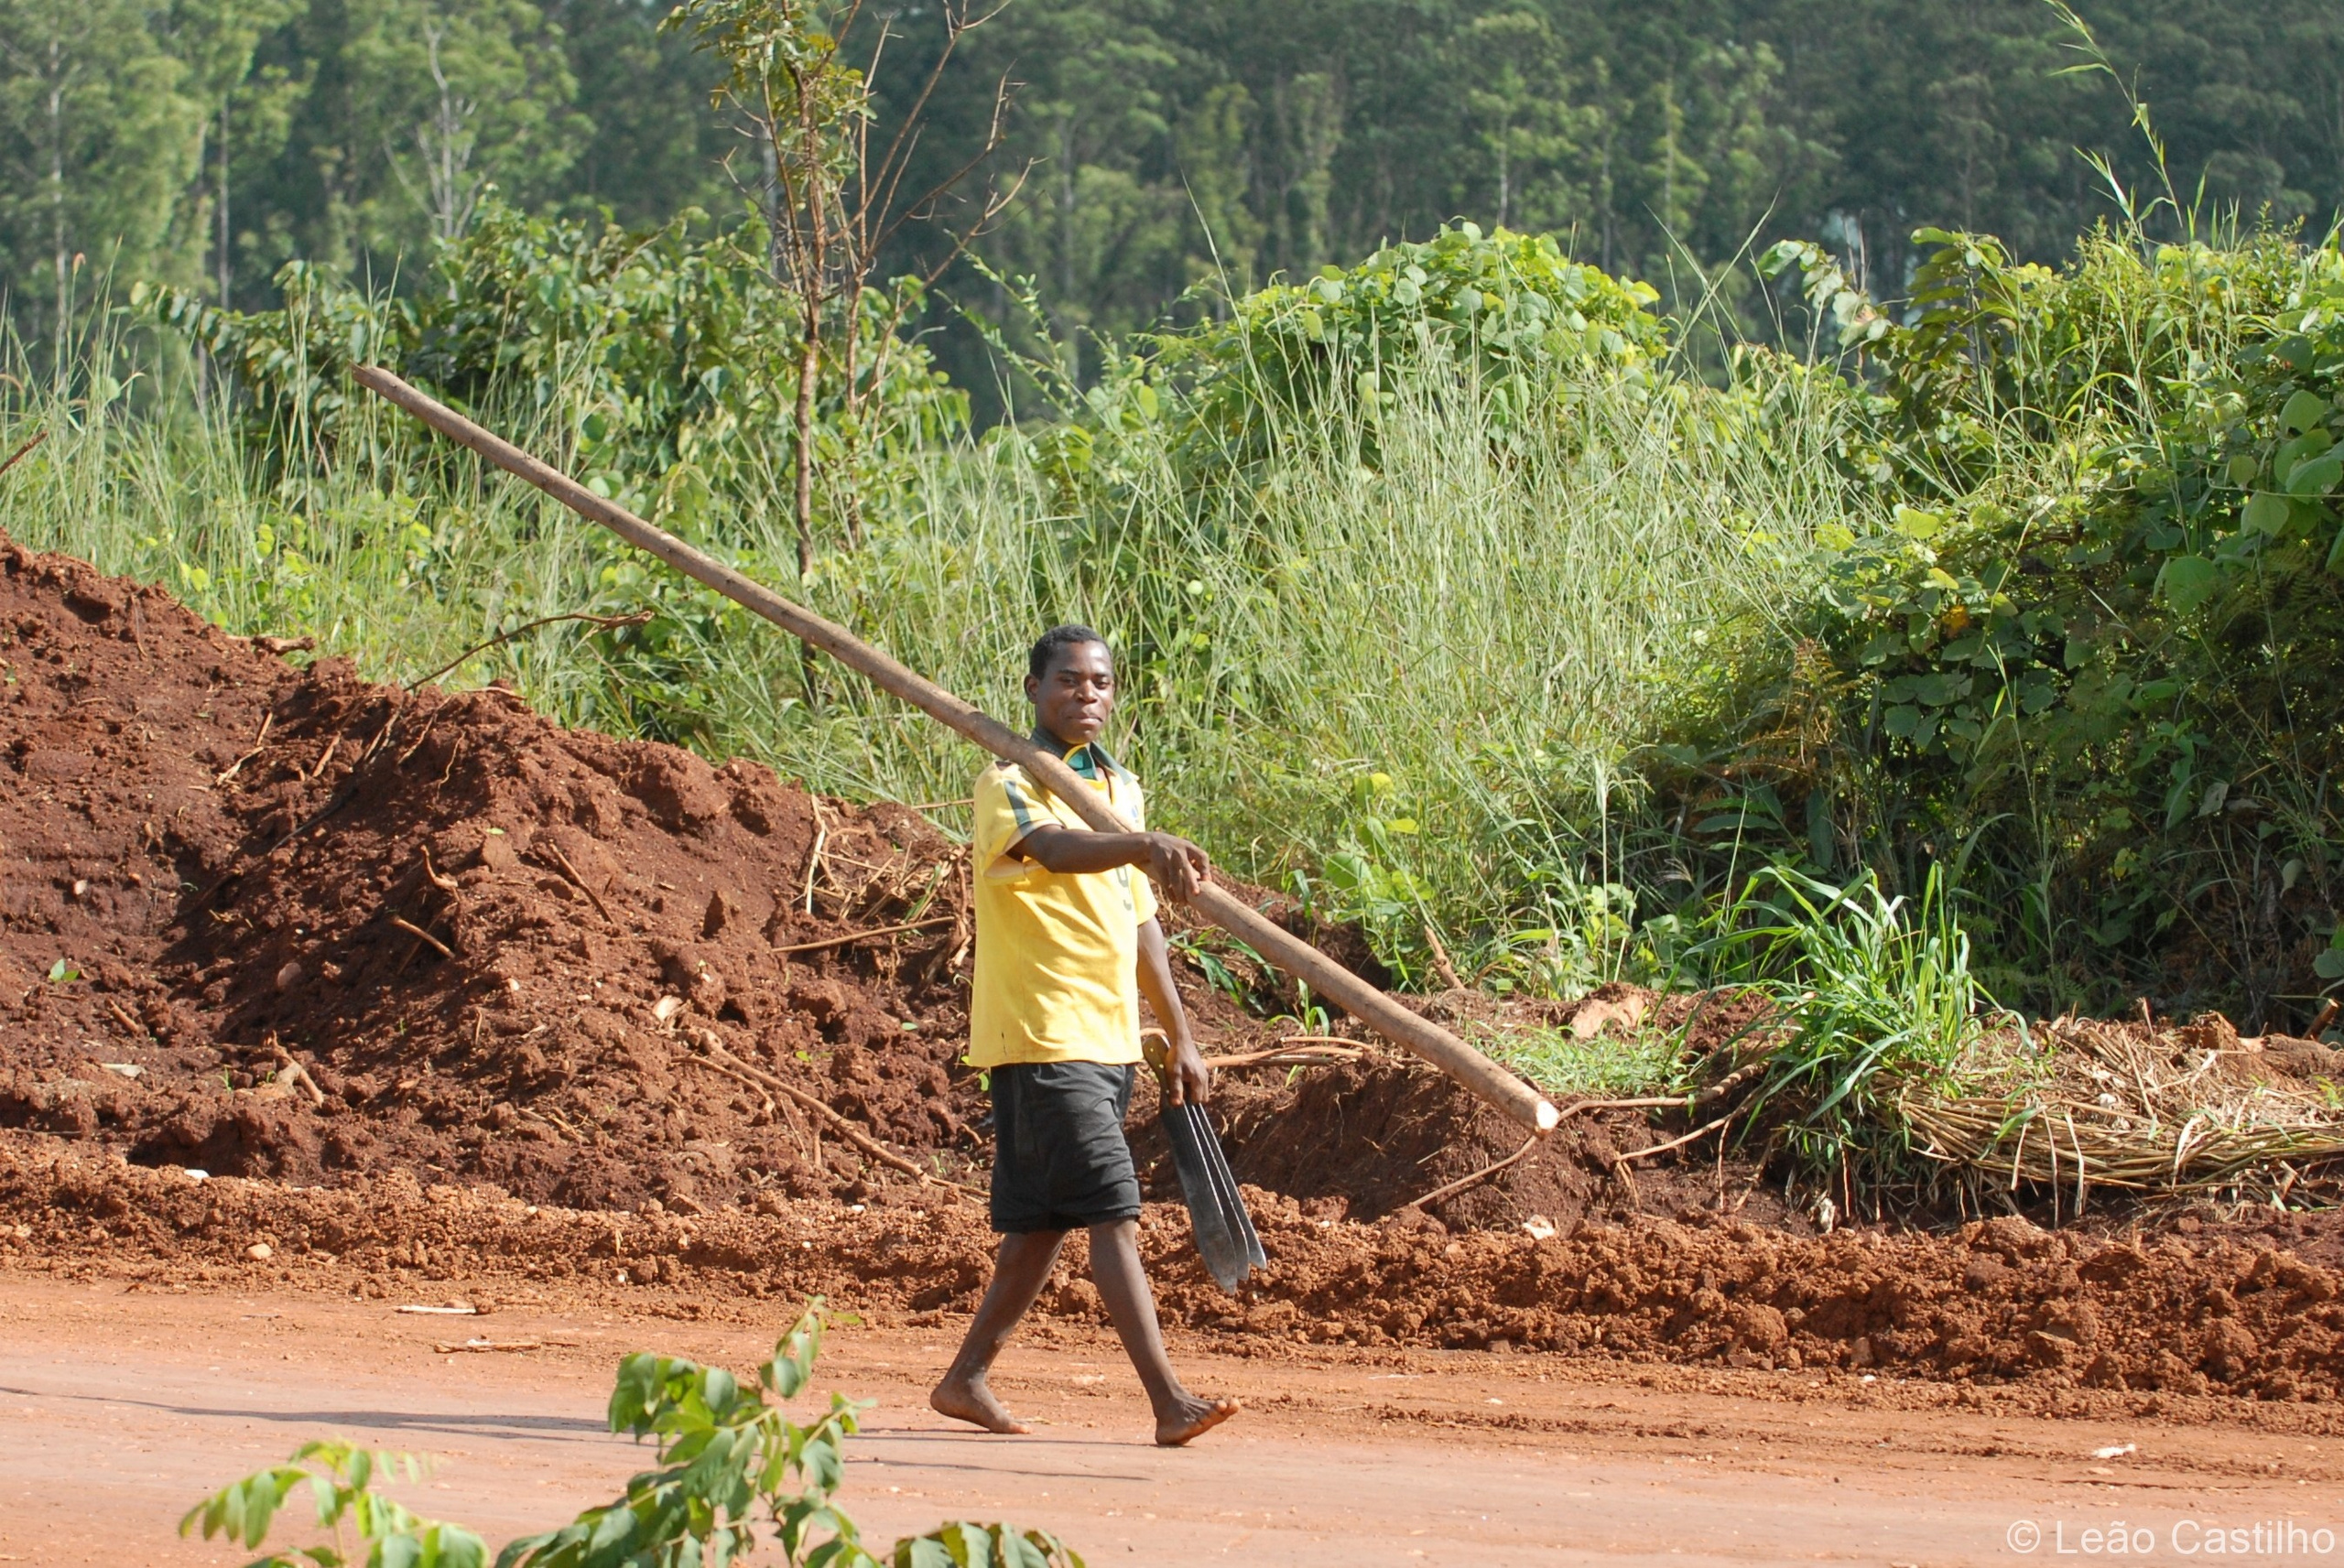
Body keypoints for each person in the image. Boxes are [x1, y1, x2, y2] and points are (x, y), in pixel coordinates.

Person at [929, 624, 1241, 1447]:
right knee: (1114, 1210)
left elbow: (1141, 922)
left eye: (1101, 683)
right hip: (1040, 1032)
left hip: (1108, 1038)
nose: (1087, 695)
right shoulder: (1010, 782)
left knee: (1039, 1226)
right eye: (1069, 681)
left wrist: (1179, 1034)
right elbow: (1057, 852)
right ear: (1033, 690)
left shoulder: (1121, 790)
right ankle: (1170, 1401)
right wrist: (1143, 844)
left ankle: (964, 1378)